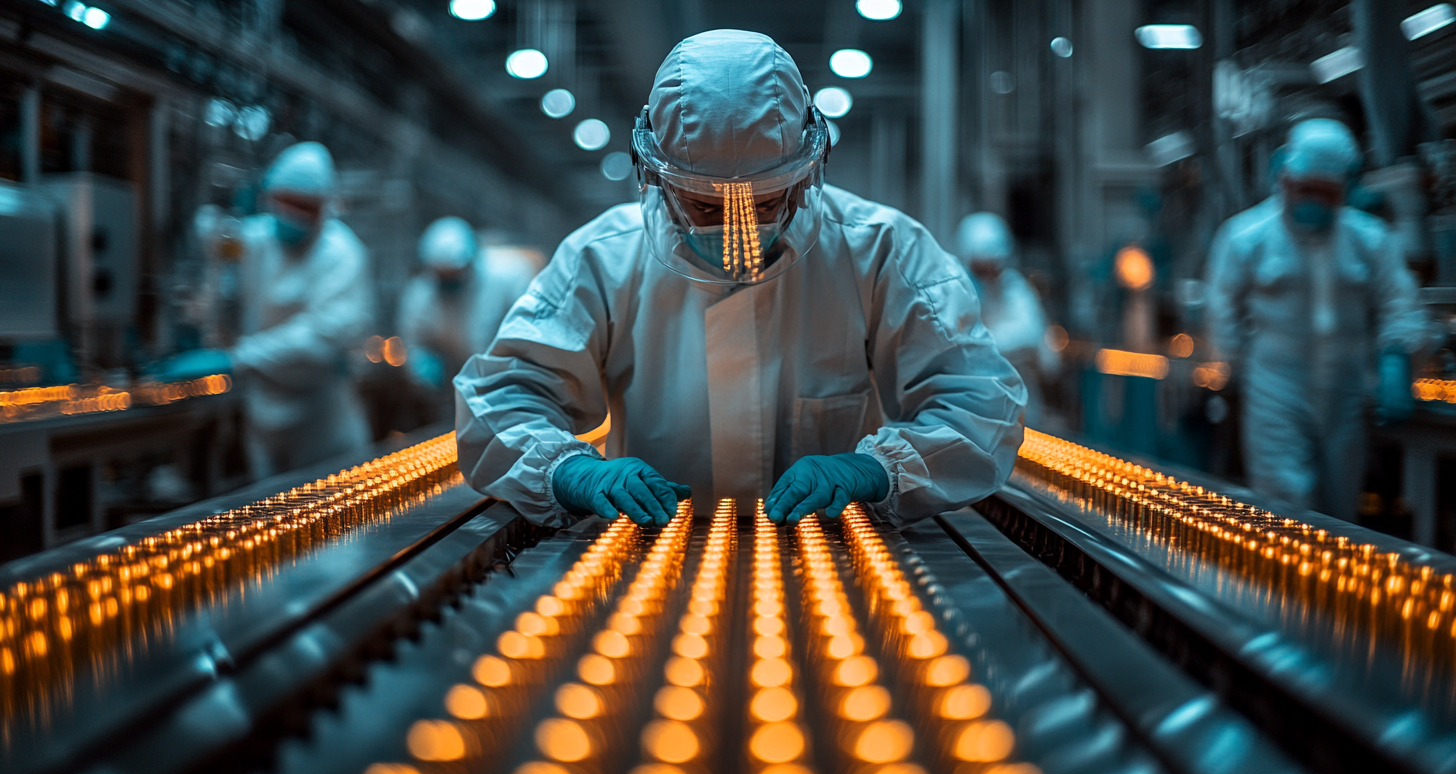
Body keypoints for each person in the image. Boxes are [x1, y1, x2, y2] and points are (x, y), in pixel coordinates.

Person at [454, 30, 1025, 529]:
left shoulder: (880, 250)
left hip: (832, 554)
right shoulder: (602, 259)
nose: (738, 230)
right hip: (653, 555)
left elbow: (980, 402)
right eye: (706, 207)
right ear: (655, 179)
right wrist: (566, 471)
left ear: (808, 175)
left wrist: (877, 469)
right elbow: (503, 399)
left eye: (766, 202)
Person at [1206, 119, 1428, 519]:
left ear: (1344, 191)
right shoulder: (1246, 238)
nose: (1312, 200)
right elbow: (1222, 306)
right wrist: (1238, 366)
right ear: (1284, 179)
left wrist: (1397, 356)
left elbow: (1399, 302)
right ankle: (1279, 584)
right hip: (1275, 388)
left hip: (1347, 392)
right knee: (1284, 502)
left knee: (1342, 506)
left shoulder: (1370, 240)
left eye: (1324, 193)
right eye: (1304, 189)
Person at [158, 142, 375, 477]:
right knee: (272, 512)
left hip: (320, 415)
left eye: (304, 207)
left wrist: (236, 357)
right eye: (283, 201)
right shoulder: (255, 238)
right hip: (263, 406)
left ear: (325, 207)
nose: (291, 214)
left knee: (333, 516)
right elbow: (211, 241)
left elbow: (320, 337)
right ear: (268, 196)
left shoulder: (342, 253)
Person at [398, 217, 537, 419]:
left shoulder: (508, 277)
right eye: (442, 275)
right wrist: (422, 363)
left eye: (454, 274)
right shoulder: (422, 294)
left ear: (471, 262)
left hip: (511, 384)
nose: (448, 281)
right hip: (457, 386)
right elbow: (414, 340)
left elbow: (530, 332)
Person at [955, 212, 1059, 426]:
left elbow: (1031, 335)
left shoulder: (1014, 289)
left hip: (1017, 406)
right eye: (980, 267)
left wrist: (978, 345)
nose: (988, 274)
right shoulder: (957, 290)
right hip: (971, 410)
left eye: (992, 265)